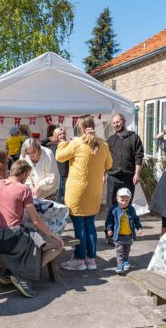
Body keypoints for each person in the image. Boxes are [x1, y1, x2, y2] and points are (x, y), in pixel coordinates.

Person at [0, 160, 64, 298]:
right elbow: (35, 220)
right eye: (27, 176)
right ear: (23, 175)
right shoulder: (23, 190)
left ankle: (13, 271)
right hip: (13, 239)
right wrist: (54, 235)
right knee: (57, 245)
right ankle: (23, 275)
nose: (27, 179)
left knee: (34, 239)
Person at [56, 115, 112, 271]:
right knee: (90, 225)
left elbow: (60, 157)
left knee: (79, 226)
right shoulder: (103, 144)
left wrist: (62, 143)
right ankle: (91, 260)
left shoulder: (76, 143)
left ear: (80, 128)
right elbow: (109, 164)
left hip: (77, 192)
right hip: (94, 190)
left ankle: (80, 259)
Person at [106, 114, 144, 212]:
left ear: (124, 121)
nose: (116, 125)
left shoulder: (134, 137)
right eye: (114, 123)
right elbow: (105, 158)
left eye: (117, 122)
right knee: (111, 206)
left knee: (127, 206)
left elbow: (139, 157)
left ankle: (126, 226)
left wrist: (137, 174)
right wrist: (103, 174)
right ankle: (110, 227)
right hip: (113, 177)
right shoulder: (110, 140)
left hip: (128, 177)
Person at [105, 188, 143, 274]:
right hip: (118, 236)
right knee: (119, 251)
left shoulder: (132, 209)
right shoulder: (114, 209)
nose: (124, 202)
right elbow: (109, 220)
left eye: (127, 200)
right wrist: (109, 229)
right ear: (117, 198)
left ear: (130, 199)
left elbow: (136, 219)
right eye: (122, 200)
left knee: (126, 250)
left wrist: (139, 228)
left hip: (129, 235)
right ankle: (119, 265)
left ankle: (125, 260)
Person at [46, 127, 69, 204]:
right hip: (56, 178)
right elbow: (39, 145)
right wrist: (48, 139)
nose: (63, 135)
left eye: (64, 133)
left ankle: (67, 216)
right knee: (58, 202)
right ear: (56, 136)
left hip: (67, 177)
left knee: (68, 201)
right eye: (60, 134)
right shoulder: (52, 147)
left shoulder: (68, 145)